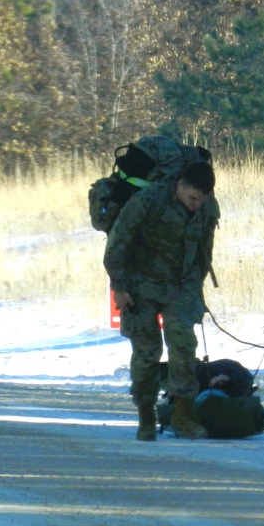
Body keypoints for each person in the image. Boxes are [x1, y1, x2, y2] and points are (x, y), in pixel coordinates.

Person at [105, 159, 220, 441]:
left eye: (200, 200)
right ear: (180, 186)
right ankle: (146, 414)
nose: (195, 204)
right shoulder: (148, 201)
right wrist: (119, 288)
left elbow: (204, 251)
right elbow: (117, 244)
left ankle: (184, 414)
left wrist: (196, 288)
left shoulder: (207, 207)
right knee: (147, 351)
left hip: (181, 286)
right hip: (140, 286)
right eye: (192, 198)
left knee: (183, 345)